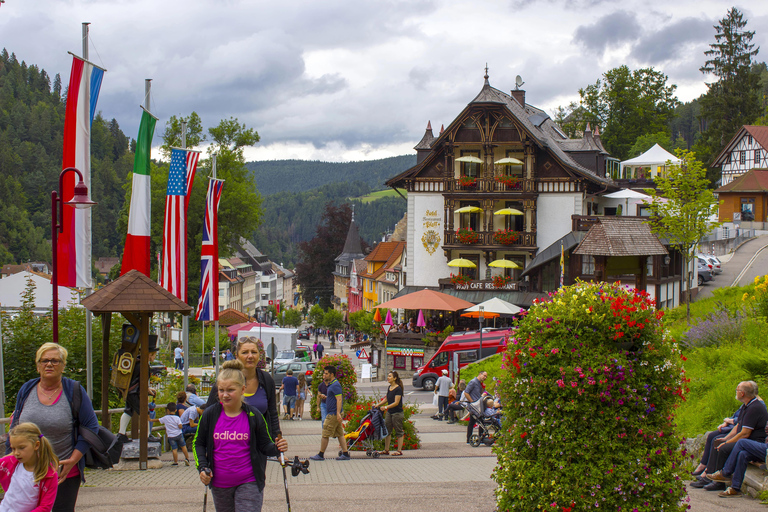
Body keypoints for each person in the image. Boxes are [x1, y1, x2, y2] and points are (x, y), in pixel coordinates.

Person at [8, 343, 100, 512]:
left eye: (55, 361)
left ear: (63, 366)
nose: (49, 364)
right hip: (27, 472)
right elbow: (15, 426)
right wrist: (11, 459)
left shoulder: (73, 390)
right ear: (38, 366)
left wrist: (73, 460)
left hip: (62, 472)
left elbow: (91, 427)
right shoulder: (26, 389)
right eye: (44, 360)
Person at [195, 360, 288, 512]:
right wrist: (202, 467)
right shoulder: (210, 415)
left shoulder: (254, 415)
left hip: (249, 481)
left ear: (242, 389)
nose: (225, 395)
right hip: (220, 483)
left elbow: (265, 446)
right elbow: (198, 443)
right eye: (221, 390)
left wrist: (278, 448)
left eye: (230, 390)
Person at [691, 381, 768, 492]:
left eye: (737, 390)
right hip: (747, 442)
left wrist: (727, 443)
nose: (735, 392)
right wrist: (725, 439)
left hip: (752, 441)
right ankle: (716, 478)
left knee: (724, 448)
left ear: (742, 393)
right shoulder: (747, 406)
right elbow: (738, 426)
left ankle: (720, 479)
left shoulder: (755, 407)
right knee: (718, 441)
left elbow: (745, 433)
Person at [206, 337, 281, 441]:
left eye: (254, 352)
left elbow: (272, 415)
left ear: (259, 355)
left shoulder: (266, 380)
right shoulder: (226, 379)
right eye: (245, 352)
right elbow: (208, 415)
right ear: (236, 356)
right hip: (227, 444)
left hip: (259, 447)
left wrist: (277, 447)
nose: (250, 356)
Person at [0, 422, 59, 512]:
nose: (16, 453)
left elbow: (45, 507)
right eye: (13, 448)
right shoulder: (8, 462)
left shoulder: (49, 475)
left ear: (36, 445)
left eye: (21, 447)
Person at [117, 340, 160, 444]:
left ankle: (121, 434)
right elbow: (142, 382)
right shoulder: (144, 365)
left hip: (129, 391)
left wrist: (148, 389)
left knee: (128, 411)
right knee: (145, 412)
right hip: (135, 393)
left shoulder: (137, 362)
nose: (154, 358)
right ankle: (147, 435)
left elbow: (136, 380)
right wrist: (147, 390)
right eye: (154, 355)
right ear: (150, 354)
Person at [310, 366, 350, 461]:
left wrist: (338, 413)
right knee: (340, 434)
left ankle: (321, 454)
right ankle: (345, 453)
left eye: (326, 373)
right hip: (334, 413)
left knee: (325, 433)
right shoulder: (331, 385)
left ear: (332, 374)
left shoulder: (335, 385)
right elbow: (333, 398)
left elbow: (339, 399)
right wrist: (326, 397)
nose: (324, 375)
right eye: (324, 373)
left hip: (333, 414)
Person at [375, 371, 405, 456]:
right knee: (387, 431)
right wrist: (378, 405)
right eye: (388, 376)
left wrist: (386, 407)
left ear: (395, 378)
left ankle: (399, 450)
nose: (388, 378)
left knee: (399, 431)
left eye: (390, 376)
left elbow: (396, 402)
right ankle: (386, 450)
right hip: (390, 412)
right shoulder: (389, 387)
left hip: (397, 413)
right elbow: (386, 399)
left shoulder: (398, 389)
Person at [464, 371, 488, 443]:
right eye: (484, 376)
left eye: (486, 377)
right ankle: (469, 438)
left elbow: (479, 393)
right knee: (473, 421)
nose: (485, 378)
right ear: (480, 374)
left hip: (478, 405)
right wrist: (472, 402)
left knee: (480, 421)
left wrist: (483, 388)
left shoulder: (480, 384)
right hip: (474, 406)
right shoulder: (473, 382)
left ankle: (480, 437)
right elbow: (466, 392)